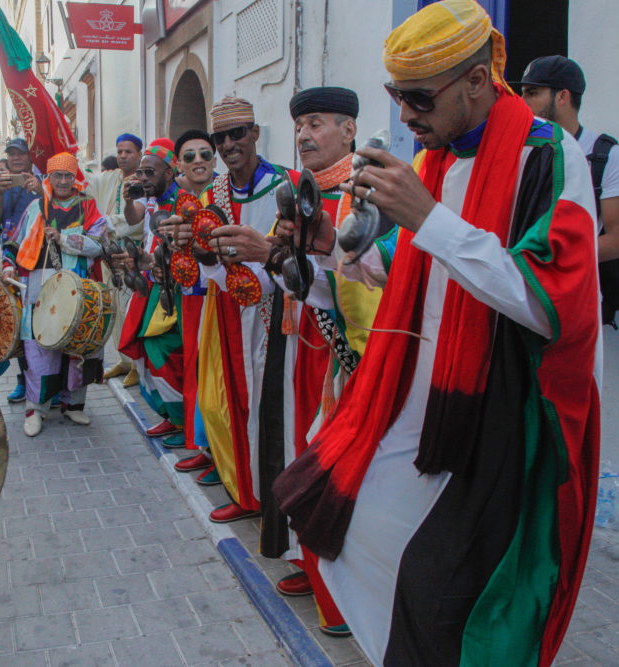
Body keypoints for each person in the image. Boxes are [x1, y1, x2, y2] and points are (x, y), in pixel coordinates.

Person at [275, 2, 600, 664]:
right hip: (415, 402)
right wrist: (332, 246)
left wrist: (427, 217)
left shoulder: (548, 154)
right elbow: (412, 271)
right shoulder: (432, 161)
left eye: (419, 97)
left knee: (468, 599)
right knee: (330, 504)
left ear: (479, 80)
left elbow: (548, 304)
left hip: (503, 416)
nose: (405, 114)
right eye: (397, 96)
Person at [208, 87, 379, 637]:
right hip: (301, 340)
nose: (304, 136)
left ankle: (346, 600)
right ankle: (315, 565)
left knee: (337, 467)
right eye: (300, 125)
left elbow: (373, 283)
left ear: (349, 130)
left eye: (317, 124)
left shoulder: (366, 191)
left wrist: (272, 256)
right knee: (305, 452)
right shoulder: (299, 192)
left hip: (345, 352)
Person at [193, 97, 292, 524]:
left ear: (254, 132)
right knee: (229, 404)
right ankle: (245, 491)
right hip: (229, 314)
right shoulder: (211, 193)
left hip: (280, 316)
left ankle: (277, 505)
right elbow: (206, 258)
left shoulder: (287, 186)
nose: (230, 144)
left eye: (238, 133)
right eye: (221, 138)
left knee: (275, 411)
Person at [2, 152, 107, 437]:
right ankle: (36, 409)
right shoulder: (36, 207)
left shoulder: (88, 206)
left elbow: (100, 243)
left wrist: (64, 239)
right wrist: (8, 266)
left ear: (75, 178)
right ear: (48, 177)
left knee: (79, 346)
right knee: (38, 349)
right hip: (38, 287)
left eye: (68, 176)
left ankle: (74, 404)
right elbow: (13, 241)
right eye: (57, 176)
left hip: (78, 289)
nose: (63, 181)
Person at [516, 56, 619, 325]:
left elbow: (616, 239)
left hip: (574, 300)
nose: (522, 101)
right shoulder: (517, 148)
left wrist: (549, 258)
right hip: (517, 291)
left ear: (562, 97)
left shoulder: (604, 155)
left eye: (532, 93)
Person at [116, 143, 191, 448]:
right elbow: (134, 220)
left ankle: (184, 421)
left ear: (170, 172)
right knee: (147, 352)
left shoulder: (183, 202)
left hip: (173, 289)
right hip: (150, 282)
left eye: (150, 171)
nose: (144, 177)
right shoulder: (152, 199)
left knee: (164, 350)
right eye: (141, 172)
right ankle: (172, 417)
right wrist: (127, 198)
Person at [87, 133, 144, 387]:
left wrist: (106, 225)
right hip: (109, 258)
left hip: (134, 258)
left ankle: (137, 365)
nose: (122, 156)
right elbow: (86, 183)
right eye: (119, 151)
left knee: (133, 310)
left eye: (128, 151)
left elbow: (138, 222)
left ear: (139, 154)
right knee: (116, 310)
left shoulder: (144, 180)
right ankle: (123, 359)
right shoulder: (109, 178)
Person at [0, 138, 42, 403]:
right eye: (11, 154)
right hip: (11, 262)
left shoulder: (43, 181)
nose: (16, 159)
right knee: (18, 325)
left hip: (39, 262)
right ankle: (23, 380)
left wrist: (41, 190)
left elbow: (56, 210)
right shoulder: (2, 186)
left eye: (20, 154)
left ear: (30, 157)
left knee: (41, 324)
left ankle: (46, 382)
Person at [174, 130, 217, 196]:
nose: (198, 160)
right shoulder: (177, 203)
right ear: (179, 166)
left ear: (214, 161)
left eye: (205, 154)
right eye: (189, 156)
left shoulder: (231, 194)